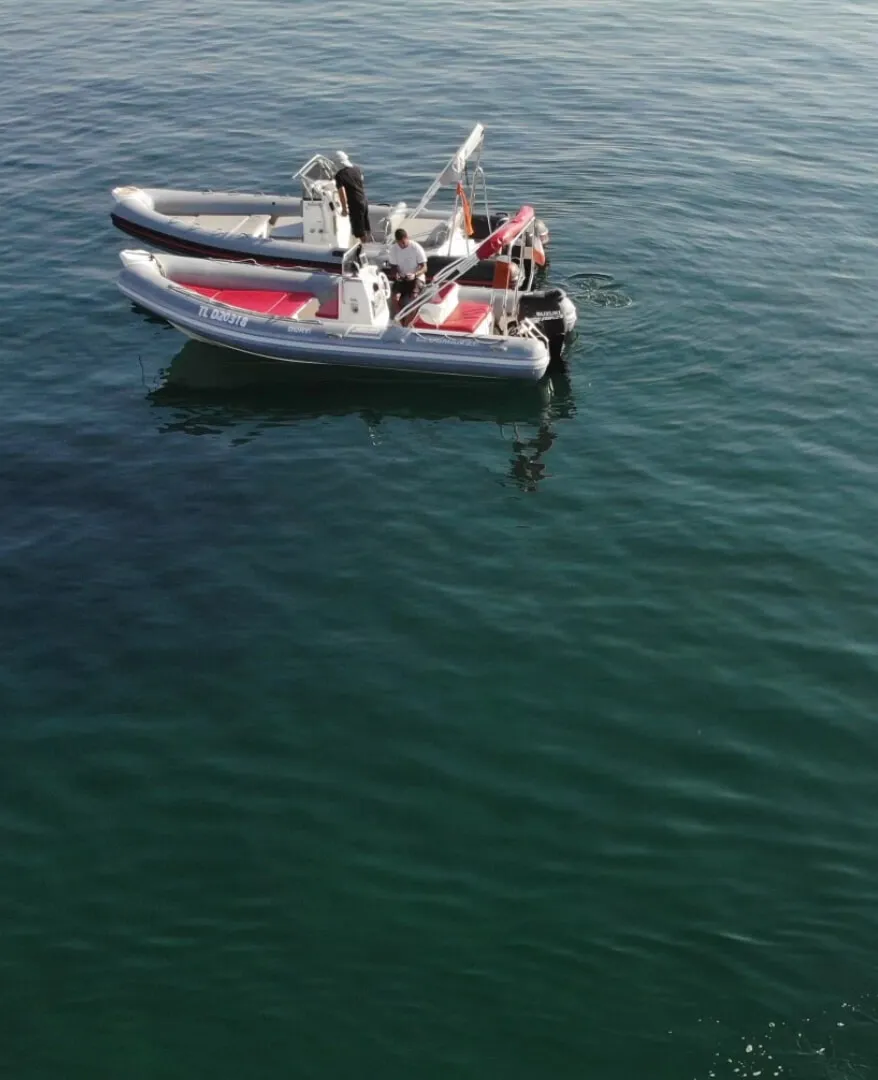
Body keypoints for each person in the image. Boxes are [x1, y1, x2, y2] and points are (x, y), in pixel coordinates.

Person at [387, 228, 427, 320]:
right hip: (402, 278)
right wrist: (396, 274)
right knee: (395, 298)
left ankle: (408, 322)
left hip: (417, 277)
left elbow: (424, 268)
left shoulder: (416, 248)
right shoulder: (393, 250)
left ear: (407, 238)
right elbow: (393, 267)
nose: (402, 245)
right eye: (399, 243)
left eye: (403, 243)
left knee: (414, 297)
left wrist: (415, 275)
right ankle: (401, 320)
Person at [334, 151, 372, 243]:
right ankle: (368, 242)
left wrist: (344, 209)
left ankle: (365, 247)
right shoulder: (357, 169)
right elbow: (361, 180)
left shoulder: (339, 175)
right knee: (365, 225)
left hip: (355, 204)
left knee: (359, 230)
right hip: (363, 199)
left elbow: (342, 193)